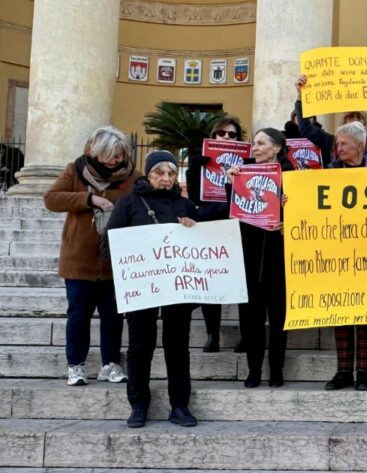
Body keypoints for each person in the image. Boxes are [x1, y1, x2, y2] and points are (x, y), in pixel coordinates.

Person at [105, 151, 199, 428]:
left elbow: (201, 247)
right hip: (141, 288)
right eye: (160, 172)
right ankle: (138, 405)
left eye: (171, 173)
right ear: (148, 175)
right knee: (139, 346)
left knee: (178, 347)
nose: (166, 178)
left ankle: (180, 406)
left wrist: (193, 229)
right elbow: (109, 244)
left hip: (178, 291)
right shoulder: (129, 203)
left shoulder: (186, 205)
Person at [44, 126, 140, 386]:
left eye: (120, 155)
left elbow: (146, 201)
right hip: (79, 261)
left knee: (113, 316)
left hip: (116, 262)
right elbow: (52, 199)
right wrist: (90, 199)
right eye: (110, 154)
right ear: (94, 152)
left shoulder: (133, 177)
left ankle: (110, 364)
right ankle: (76, 365)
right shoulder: (74, 170)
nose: (115, 160)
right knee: (78, 315)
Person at [226, 128, 295, 388]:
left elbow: (306, 218)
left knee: (279, 319)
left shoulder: (292, 178)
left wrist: (289, 214)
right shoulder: (242, 173)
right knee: (250, 318)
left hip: (280, 259)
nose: (254, 148)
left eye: (260, 143)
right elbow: (230, 215)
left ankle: (276, 369)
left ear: (276, 148)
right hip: (250, 257)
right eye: (253, 144)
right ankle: (253, 369)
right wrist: (230, 186)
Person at [322, 121, 367, 391]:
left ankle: (363, 372)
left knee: (366, 313)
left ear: (359, 144)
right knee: (341, 312)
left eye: (343, 144)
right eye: (337, 144)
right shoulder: (330, 171)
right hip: (338, 253)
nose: (338, 148)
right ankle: (343, 371)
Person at [185, 118, 243, 353]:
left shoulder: (246, 162)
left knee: (241, 281)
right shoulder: (201, 161)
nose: (227, 137)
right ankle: (212, 334)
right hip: (208, 221)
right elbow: (193, 197)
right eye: (222, 133)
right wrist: (193, 168)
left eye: (232, 134)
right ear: (214, 135)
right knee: (211, 280)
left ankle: (246, 334)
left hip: (234, 222)